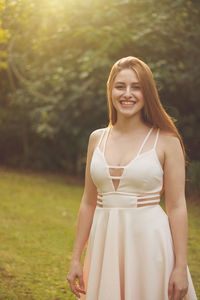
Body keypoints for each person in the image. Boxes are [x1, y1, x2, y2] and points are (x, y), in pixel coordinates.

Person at [67, 56, 197, 300]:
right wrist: (76, 258)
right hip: (105, 245)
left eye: (136, 87)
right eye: (120, 86)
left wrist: (180, 266)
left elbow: (177, 206)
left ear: (147, 92)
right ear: (110, 91)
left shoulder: (167, 140)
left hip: (149, 245)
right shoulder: (97, 138)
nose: (128, 94)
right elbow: (88, 202)